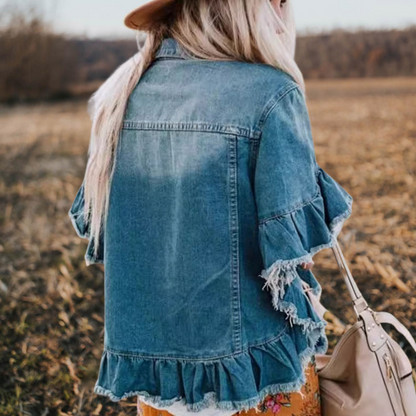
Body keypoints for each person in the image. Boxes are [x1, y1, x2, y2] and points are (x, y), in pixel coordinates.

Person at [68, 0, 353, 415]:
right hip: (255, 382)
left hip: (161, 390)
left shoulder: (121, 95)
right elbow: (293, 258)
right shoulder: (271, 94)